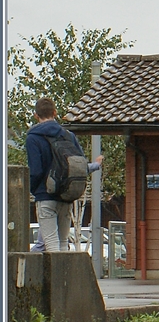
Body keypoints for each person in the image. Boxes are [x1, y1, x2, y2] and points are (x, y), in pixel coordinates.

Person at [25, 97, 103, 252]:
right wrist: (95, 165)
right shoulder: (68, 136)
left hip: (45, 197)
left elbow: (36, 171)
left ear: (36, 115)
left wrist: (35, 191)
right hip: (66, 196)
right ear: (55, 113)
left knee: (51, 245)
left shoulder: (33, 138)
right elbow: (80, 166)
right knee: (62, 244)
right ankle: (64, 276)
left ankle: (55, 277)